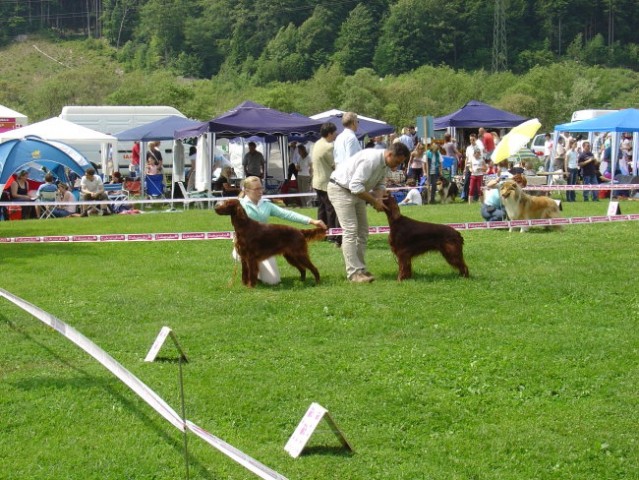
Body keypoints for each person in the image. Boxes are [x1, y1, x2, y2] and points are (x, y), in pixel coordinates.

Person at [327, 142, 410, 283]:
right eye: (396, 161)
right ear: (390, 154)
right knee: (351, 230)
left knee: (363, 231)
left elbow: (380, 184)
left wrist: (378, 197)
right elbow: (355, 186)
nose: (396, 166)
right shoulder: (371, 160)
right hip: (340, 189)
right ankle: (353, 274)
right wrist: (374, 201)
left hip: (357, 192)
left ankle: (361, 269)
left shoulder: (385, 163)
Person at [231, 176, 326, 285]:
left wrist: (312, 221)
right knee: (249, 259)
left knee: (272, 281)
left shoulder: (266, 204)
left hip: (263, 246)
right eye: (256, 189)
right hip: (245, 245)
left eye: (261, 188)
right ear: (246, 191)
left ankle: (257, 272)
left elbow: (287, 214)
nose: (260, 192)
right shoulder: (240, 206)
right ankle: (251, 277)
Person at [311, 122, 341, 246]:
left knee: (322, 209)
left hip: (317, 181)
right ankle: (332, 235)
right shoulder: (328, 147)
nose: (336, 134)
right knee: (331, 210)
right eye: (334, 132)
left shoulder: (317, 143)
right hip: (325, 183)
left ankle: (321, 233)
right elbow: (334, 165)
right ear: (329, 133)